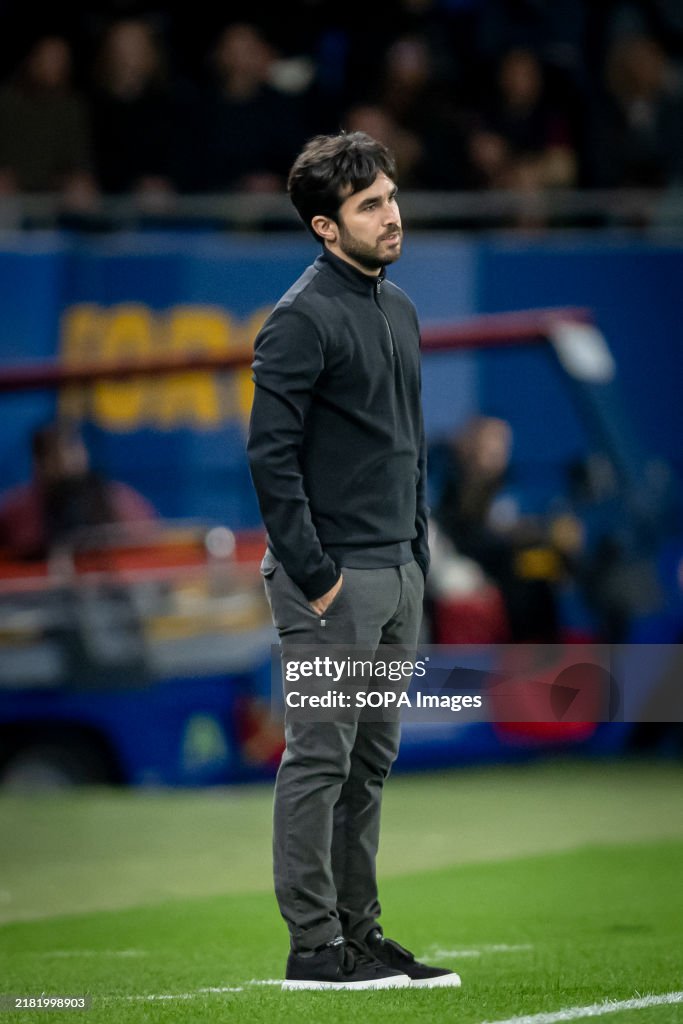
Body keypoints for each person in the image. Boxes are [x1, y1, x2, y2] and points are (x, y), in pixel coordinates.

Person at [247, 131, 461, 991]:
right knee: (320, 761)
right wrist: (318, 571)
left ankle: (359, 936)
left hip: (396, 575)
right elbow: (271, 456)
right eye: (369, 204)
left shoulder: (398, 308)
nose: (390, 213)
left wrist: (415, 559)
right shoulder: (300, 318)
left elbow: (406, 447)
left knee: (368, 764)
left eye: (390, 196)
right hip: (333, 583)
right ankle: (313, 948)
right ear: (325, 229)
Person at [0, 420, 157, 561]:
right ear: (37, 461)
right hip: (36, 590)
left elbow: (148, 547)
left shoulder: (117, 499)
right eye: (52, 454)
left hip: (110, 589)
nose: (64, 461)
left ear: (84, 452)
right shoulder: (16, 510)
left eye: (71, 449)